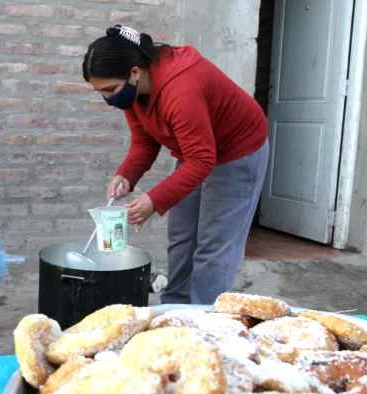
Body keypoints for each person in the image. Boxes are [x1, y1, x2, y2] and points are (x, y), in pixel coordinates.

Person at [82, 25, 269, 305]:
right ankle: (175, 308)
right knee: (182, 239)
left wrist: (154, 200)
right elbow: (145, 143)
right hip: (195, 154)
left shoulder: (180, 88)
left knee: (214, 246)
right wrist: (126, 175)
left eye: (110, 89)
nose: (108, 99)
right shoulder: (133, 93)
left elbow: (202, 159)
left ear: (135, 71)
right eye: (100, 92)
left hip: (237, 151)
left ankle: (204, 321)